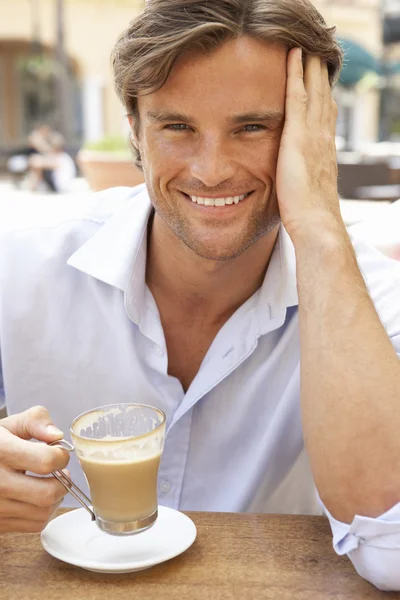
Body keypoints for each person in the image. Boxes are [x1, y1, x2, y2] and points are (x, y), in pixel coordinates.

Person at [0, 0, 400, 590]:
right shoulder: (19, 268)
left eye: (253, 126)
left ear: (313, 134)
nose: (211, 170)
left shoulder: (373, 298)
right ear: (135, 130)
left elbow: (391, 554)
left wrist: (317, 226)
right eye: (177, 126)